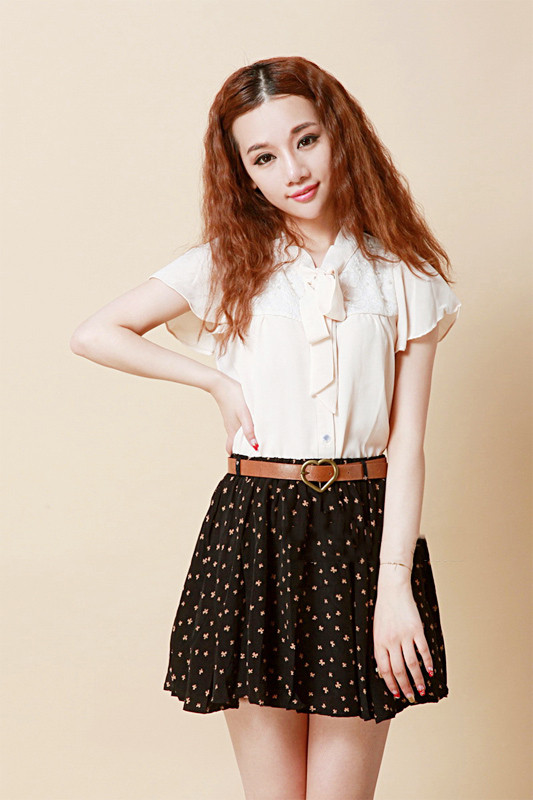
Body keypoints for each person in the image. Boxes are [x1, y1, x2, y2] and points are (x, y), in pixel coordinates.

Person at [70, 55, 462, 800]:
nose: (293, 170)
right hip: (256, 527)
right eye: (264, 157)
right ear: (244, 175)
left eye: (305, 140)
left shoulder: (403, 274)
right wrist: (215, 380)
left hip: (362, 531)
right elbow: (95, 334)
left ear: (339, 135)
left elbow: (407, 444)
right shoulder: (227, 264)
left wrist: (395, 585)